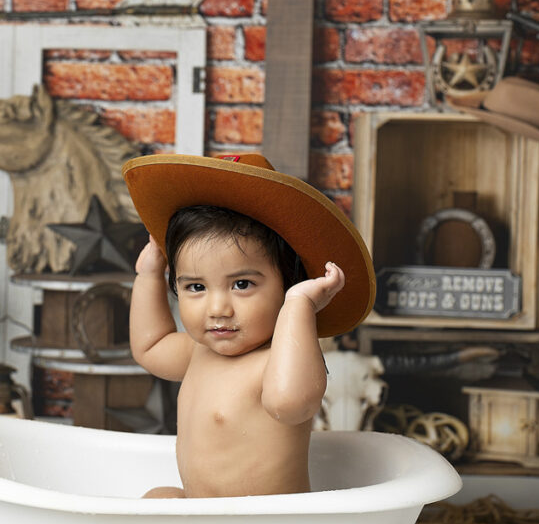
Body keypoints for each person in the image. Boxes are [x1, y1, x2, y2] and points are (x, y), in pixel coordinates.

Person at [122, 152, 375, 499]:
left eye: (242, 284)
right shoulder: (199, 353)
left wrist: (299, 307)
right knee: (158, 498)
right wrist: (148, 275)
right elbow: (149, 347)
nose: (218, 308)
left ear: (287, 284)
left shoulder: (277, 363)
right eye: (195, 287)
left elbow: (290, 403)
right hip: (204, 517)